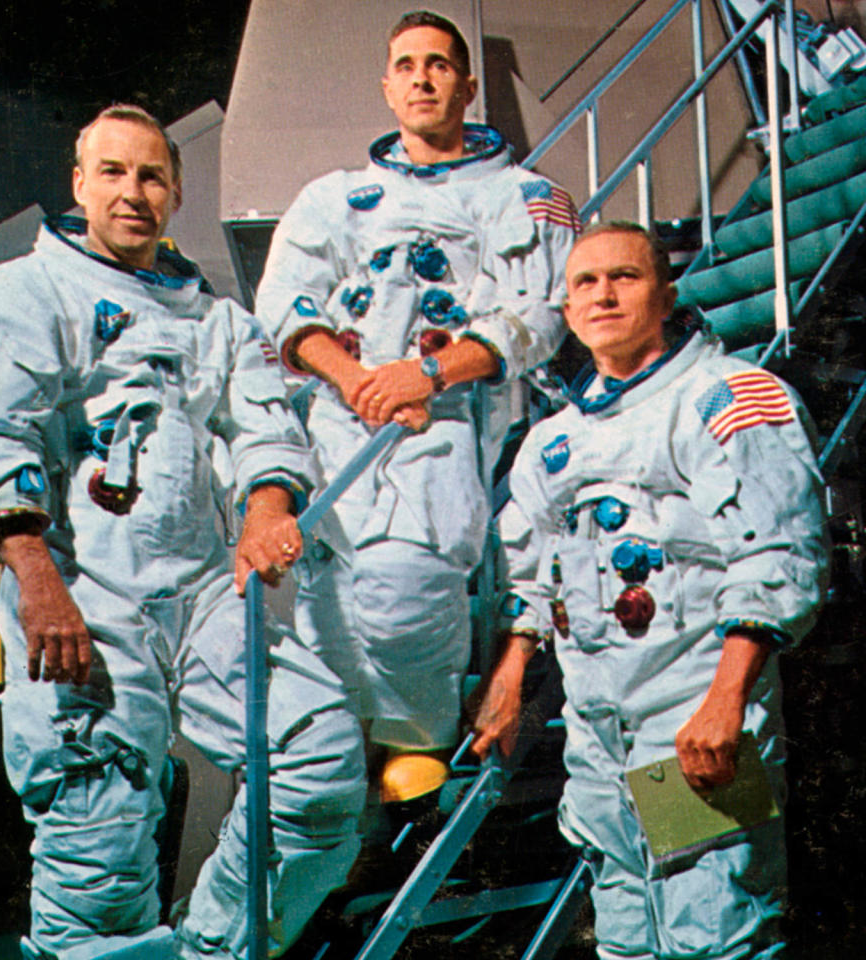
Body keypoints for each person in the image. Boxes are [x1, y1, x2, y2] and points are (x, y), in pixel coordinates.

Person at [0, 104, 365, 960]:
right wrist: (37, 586)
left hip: (204, 591)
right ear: (79, 184)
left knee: (319, 758)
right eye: (114, 173)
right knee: (96, 835)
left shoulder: (219, 322)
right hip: (81, 594)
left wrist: (268, 509)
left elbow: (267, 431)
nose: (134, 193)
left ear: (175, 193)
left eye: (153, 176)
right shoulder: (18, 295)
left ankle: (216, 948)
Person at [473, 221, 830, 959]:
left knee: (711, 934)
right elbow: (535, 569)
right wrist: (511, 676)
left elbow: (780, 552)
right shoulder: (553, 441)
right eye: (584, 283)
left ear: (667, 295)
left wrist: (727, 699)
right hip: (600, 730)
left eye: (625, 277)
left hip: (689, 715)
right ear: (567, 311)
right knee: (629, 936)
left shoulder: (724, 396)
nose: (602, 294)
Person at [255, 10, 579, 801]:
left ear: (468, 87)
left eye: (439, 65)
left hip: (449, 420)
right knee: (329, 600)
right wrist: (356, 378)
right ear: (388, 87)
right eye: (407, 66)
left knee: (409, 589)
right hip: (339, 414)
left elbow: (538, 314)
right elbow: (283, 301)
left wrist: (425, 377)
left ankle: (418, 740)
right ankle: (345, 761)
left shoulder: (528, 196)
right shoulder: (336, 197)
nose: (423, 78)